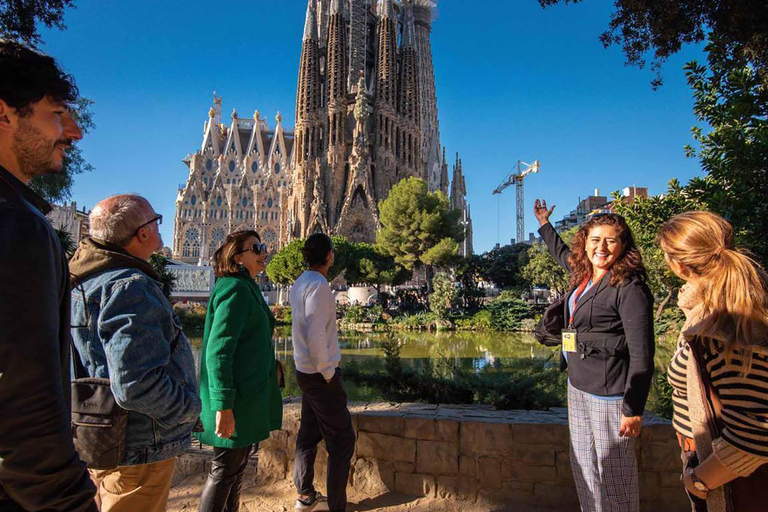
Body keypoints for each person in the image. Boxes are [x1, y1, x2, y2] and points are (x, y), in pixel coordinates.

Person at [0, 41, 97, 512]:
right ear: (5, 114)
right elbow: (24, 400)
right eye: (57, 114)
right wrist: (69, 501)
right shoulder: (14, 227)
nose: (73, 132)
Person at [69, 194, 202, 512]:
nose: (160, 228)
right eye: (156, 221)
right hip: (139, 447)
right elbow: (135, 385)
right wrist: (188, 408)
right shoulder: (129, 287)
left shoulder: (82, 282)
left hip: (99, 436)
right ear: (142, 233)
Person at [534, 199, 655, 512]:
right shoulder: (584, 275)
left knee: (614, 474)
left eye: (610, 241)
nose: (601, 247)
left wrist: (633, 408)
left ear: (622, 246)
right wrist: (544, 224)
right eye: (595, 240)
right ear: (585, 243)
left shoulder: (628, 287)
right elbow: (561, 254)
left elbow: (642, 354)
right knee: (584, 466)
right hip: (578, 386)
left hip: (609, 394)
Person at [659, 211, 768, 511]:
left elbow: (755, 436)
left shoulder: (721, 326)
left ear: (678, 265)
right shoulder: (722, 309)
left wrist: (698, 480)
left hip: (729, 485)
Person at [196, 230, 283, 512]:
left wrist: (273, 367)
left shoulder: (244, 286)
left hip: (244, 398)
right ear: (237, 257)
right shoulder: (234, 288)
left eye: (264, 246)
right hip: (235, 401)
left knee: (235, 469)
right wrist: (223, 405)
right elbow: (218, 351)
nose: (263, 252)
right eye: (256, 248)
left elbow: (248, 340)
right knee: (224, 470)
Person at [290, 233, 355, 512]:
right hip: (319, 375)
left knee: (308, 433)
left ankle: (305, 494)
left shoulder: (301, 282)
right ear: (329, 256)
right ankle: (337, 507)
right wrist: (329, 373)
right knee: (341, 440)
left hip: (305, 371)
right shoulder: (318, 287)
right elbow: (316, 334)